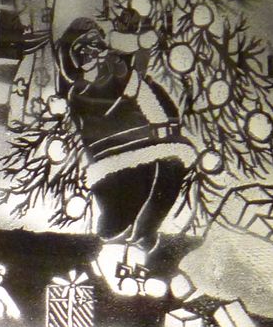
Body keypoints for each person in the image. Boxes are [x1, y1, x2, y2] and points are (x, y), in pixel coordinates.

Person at [52, 16, 192, 296]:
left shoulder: (120, 75)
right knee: (122, 209)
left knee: (162, 186)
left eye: (95, 44)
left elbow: (147, 96)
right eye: (83, 49)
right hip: (111, 160)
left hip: (151, 148)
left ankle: (140, 255)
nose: (91, 52)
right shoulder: (79, 93)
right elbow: (97, 113)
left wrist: (163, 127)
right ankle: (117, 259)